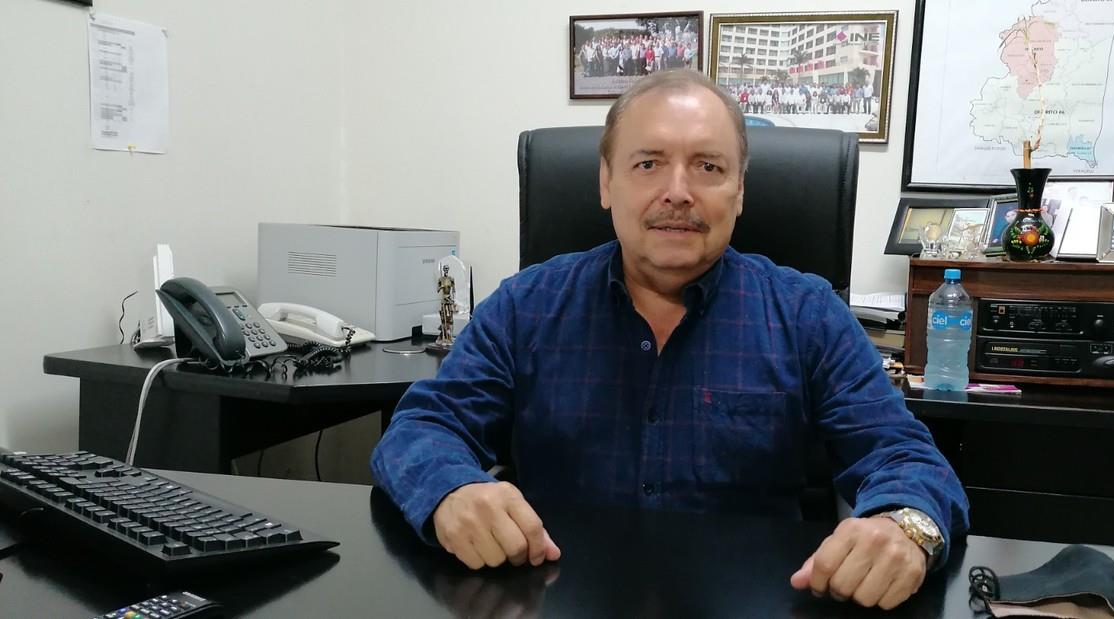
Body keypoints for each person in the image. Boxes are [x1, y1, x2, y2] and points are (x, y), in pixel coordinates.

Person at [370, 69, 969, 611]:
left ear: (739, 191)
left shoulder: (807, 314)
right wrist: (452, 487)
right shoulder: (526, 306)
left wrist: (903, 526)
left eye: (708, 167)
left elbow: (906, 457)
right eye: (648, 163)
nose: (678, 191)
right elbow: (424, 426)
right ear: (607, 182)